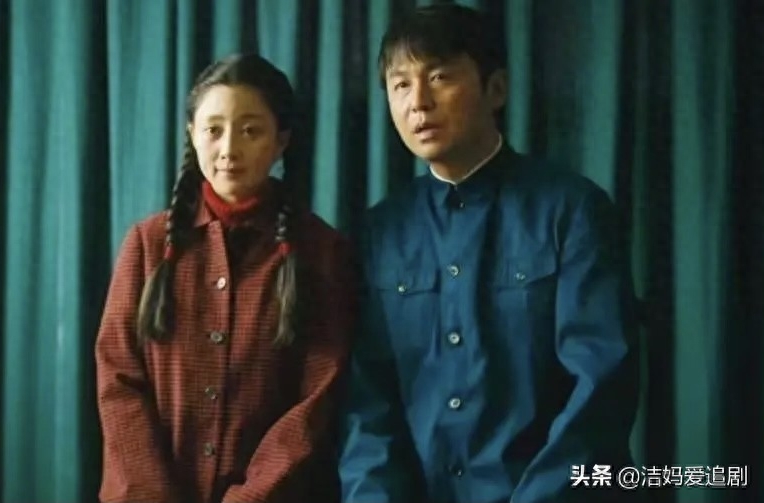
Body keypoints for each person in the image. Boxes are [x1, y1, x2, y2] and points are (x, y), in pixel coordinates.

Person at [338, 4, 639, 503]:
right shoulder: (379, 232)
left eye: (439, 77)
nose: (418, 102)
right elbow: (367, 406)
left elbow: (600, 388)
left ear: (495, 89)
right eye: (400, 84)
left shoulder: (572, 211)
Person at [95, 53, 355, 503]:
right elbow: (119, 381)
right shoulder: (147, 244)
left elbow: (316, 400)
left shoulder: (321, 251)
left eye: (251, 130)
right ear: (192, 134)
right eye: (213, 130)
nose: (229, 149)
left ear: (281, 140)